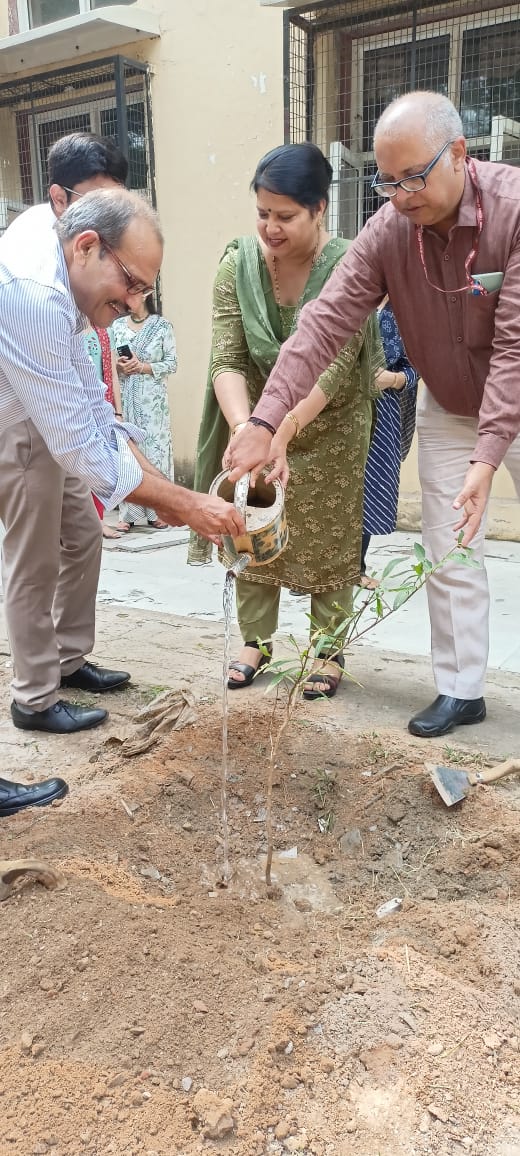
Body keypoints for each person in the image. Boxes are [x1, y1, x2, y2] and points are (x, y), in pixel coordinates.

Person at [226, 90, 520, 739]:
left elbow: (513, 346)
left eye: (413, 177)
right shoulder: (391, 231)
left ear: (459, 155)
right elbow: (324, 325)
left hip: (516, 392)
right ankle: (461, 689)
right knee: (449, 548)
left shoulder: (514, 208)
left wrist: (489, 454)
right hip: (448, 401)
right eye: (388, 181)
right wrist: (265, 422)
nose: (401, 195)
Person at [0, 187, 244, 763]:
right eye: (131, 284)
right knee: (29, 562)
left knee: (80, 535)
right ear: (87, 246)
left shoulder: (63, 276)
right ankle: (31, 703)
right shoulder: (36, 297)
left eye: (145, 292)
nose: (137, 305)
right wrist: (187, 504)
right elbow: (82, 445)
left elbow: (93, 408)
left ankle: (64, 667)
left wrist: (160, 489)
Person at [188, 142, 384, 698]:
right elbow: (227, 357)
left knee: (329, 536)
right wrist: (245, 428)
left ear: (320, 208)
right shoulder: (237, 264)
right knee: (248, 524)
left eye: (286, 216)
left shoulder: (350, 263)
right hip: (255, 420)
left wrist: (281, 431)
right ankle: (256, 640)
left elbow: (339, 362)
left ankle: (328, 647)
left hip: (332, 423)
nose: (270, 228)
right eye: (262, 214)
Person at [359, 298, 419, 588]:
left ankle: (355, 568)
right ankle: (311, 572)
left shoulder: (408, 308)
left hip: (384, 411)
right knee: (331, 480)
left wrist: (393, 379)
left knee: (370, 485)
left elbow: (418, 368)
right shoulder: (351, 295)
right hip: (338, 404)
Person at [112, 292, 176, 531]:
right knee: (129, 454)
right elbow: (111, 366)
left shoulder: (162, 326)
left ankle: (159, 511)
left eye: (134, 294)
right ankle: (128, 513)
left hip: (154, 403)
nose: (128, 299)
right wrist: (122, 366)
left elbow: (172, 363)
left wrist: (144, 366)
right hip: (128, 399)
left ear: (146, 295)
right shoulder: (117, 326)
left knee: (155, 453)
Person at [84, 324, 123, 538]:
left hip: (101, 406)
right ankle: (86, 521)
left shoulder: (103, 333)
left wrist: (118, 411)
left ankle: (99, 521)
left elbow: (113, 375)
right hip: (76, 407)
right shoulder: (67, 327)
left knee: (99, 464)